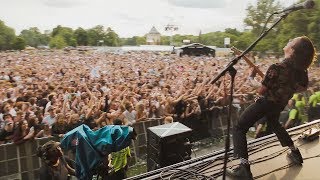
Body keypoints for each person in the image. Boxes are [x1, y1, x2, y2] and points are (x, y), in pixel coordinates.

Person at [227, 36, 315, 179]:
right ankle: (295, 152)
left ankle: (243, 168)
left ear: (292, 50)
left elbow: (260, 90)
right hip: (279, 104)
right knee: (275, 124)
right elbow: (303, 87)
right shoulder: (301, 71)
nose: (288, 41)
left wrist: (251, 78)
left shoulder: (277, 67)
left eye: (290, 41)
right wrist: (286, 91)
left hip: (265, 103)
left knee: (239, 127)